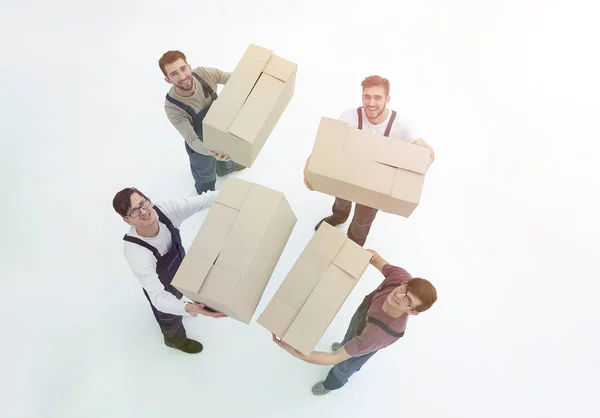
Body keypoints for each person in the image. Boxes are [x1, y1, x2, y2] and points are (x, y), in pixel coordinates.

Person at [272, 249, 437, 395]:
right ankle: (348, 346)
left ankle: (331, 384)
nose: (399, 295)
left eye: (408, 300)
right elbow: (375, 257)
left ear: (412, 312)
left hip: (366, 338)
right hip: (361, 319)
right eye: (404, 289)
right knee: (349, 338)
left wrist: (295, 352)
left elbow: (333, 358)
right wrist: (352, 254)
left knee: (343, 367)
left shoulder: (378, 335)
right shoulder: (400, 278)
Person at [303, 75, 435, 247]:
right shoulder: (350, 116)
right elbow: (327, 142)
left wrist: (409, 179)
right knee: (341, 202)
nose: (371, 103)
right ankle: (339, 217)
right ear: (362, 96)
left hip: (376, 184)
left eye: (377, 97)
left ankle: (351, 247)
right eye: (367, 96)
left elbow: (429, 154)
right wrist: (308, 166)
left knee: (361, 222)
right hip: (348, 173)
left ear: (387, 99)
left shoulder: (401, 127)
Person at [113, 187, 227, 354]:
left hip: (181, 272)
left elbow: (205, 200)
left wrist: (239, 196)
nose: (144, 211)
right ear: (127, 220)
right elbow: (160, 298)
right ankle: (175, 341)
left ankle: (179, 308)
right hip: (162, 289)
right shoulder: (137, 253)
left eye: (143, 203)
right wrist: (193, 308)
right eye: (134, 211)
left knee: (180, 299)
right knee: (169, 319)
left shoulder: (166, 210)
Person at [160, 50, 245, 195]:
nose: (182, 77)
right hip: (200, 144)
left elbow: (235, 79)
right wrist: (212, 152)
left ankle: (225, 169)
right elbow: (191, 139)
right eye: (174, 74)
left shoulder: (205, 74)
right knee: (205, 176)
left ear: (189, 66)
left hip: (219, 128)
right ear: (168, 80)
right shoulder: (172, 107)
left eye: (183, 68)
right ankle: (205, 193)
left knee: (227, 159)